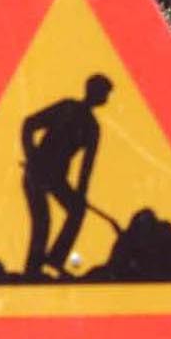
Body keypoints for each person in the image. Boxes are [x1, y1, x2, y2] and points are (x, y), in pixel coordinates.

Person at [20, 74, 112, 278]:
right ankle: (32, 271)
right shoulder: (66, 108)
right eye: (104, 93)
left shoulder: (92, 128)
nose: (106, 97)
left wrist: (81, 194)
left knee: (77, 210)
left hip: (57, 179)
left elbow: (86, 167)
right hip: (36, 173)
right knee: (42, 221)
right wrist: (31, 155)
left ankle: (54, 260)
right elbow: (29, 124)